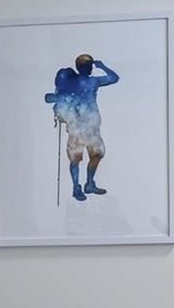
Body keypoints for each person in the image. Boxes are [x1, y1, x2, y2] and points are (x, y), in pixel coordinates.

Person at [43, 51, 119, 200]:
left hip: (91, 127)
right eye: (89, 65)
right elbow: (113, 77)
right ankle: (76, 188)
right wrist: (102, 65)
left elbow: (115, 78)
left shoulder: (92, 82)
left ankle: (89, 184)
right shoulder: (85, 82)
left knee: (97, 154)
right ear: (86, 67)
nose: (90, 68)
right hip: (77, 127)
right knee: (75, 159)